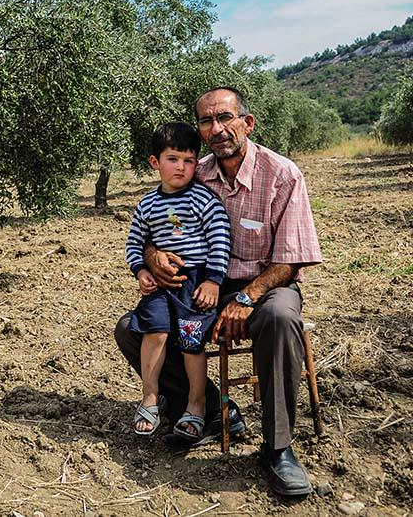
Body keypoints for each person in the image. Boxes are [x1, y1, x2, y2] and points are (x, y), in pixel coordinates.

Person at [113, 86, 323, 497]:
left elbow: (292, 258)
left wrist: (246, 297)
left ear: (247, 123)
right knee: (130, 329)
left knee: (281, 319)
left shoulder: (281, 174)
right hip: (200, 286)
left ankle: (278, 448)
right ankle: (212, 411)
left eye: (225, 118)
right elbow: (154, 226)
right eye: (207, 120)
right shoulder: (196, 171)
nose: (217, 128)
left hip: (266, 285)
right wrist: (152, 255)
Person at [125, 122, 231, 439]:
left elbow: (220, 241)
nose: (181, 167)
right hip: (160, 286)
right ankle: (150, 397)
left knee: (190, 343)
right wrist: (142, 271)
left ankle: (196, 405)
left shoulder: (204, 200)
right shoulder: (147, 204)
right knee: (154, 332)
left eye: (189, 161)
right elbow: (134, 244)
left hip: (194, 284)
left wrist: (213, 281)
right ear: (155, 162)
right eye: (173, 159)